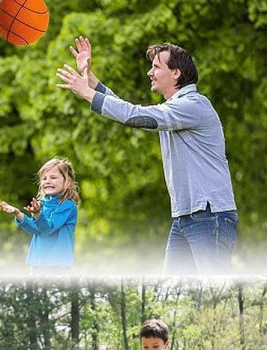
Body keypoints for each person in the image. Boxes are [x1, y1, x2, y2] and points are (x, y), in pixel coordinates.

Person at [57, 37, 238, 276]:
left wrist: (87, 93)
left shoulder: (193, 105)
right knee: (172, 290)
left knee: (215, 290)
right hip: (184, 218)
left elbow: (136, 116)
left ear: (176, 73)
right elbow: (125, 107)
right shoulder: (175, 107)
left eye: (156, 67)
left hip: (209, 216)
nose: (149, 72)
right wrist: (89, 78)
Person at [0, 157, 79, 274]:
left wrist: (37, 214)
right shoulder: (41, 203)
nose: (47, 181)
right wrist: (18, 214)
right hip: (37, 261)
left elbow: (48, 229)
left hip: (58, 264)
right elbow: (35, 229)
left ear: (67, 182)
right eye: (44, 178)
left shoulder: (67, 205)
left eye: (53, 177)